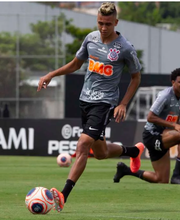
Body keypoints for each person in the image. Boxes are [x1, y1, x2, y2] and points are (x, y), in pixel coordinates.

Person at [37, 2, 144, 212]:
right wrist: (51, 74)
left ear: (116, 22)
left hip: (104, 104)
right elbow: (76, 64)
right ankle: (133, 151)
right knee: (101, 152)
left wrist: (122, 103)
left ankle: (63, 194)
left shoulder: (125, 48)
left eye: (108, 24)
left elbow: (136, 77)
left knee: (83, 145)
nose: (103, 28)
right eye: (100, 23)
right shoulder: (91, 39)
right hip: (85, 100)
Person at [113, 68, 180, 185]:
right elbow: (150, 117)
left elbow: (176, 117)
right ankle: (176, 175)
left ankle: (125, 170)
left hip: (164, 134)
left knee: (161, 179)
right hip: (152, 135)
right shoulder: (165, 96)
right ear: (173, 82)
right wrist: (175, 127)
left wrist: (177, 130)